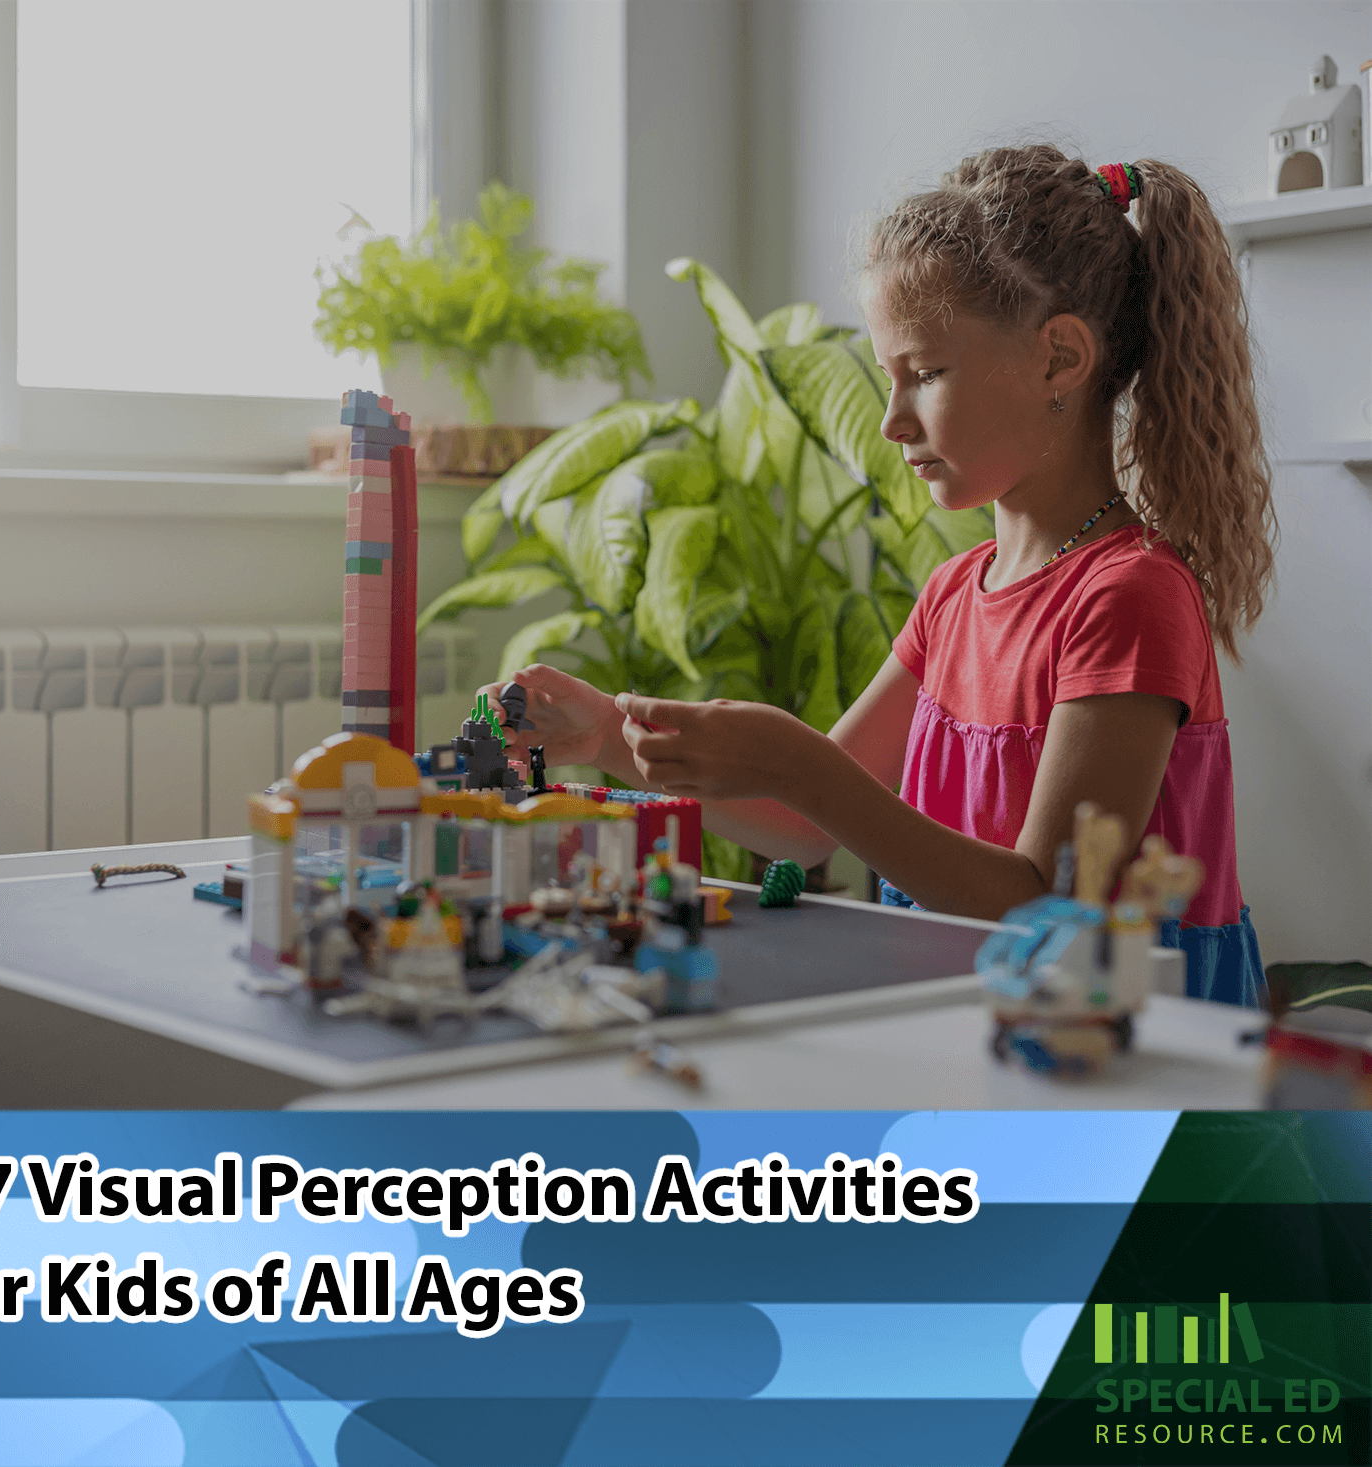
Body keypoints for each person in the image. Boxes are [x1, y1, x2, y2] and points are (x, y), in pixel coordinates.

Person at [478, 146, 1275, 1007]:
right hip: (973, 1025)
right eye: (886, 377)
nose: (892, 421)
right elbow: (799, 829)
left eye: (925, 373)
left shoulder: (1129, 596)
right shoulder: (950, 596)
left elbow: (1041, 901)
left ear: (1059, 359)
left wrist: (801, 766)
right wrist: (606, 739)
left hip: (1117, 1050)